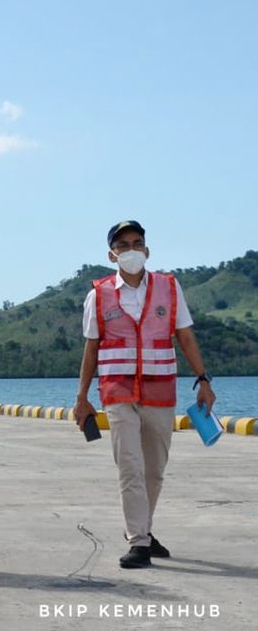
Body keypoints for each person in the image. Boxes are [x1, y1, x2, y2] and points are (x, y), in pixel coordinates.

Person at [73, 220, 215, 569]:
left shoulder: (169, 287)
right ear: (112, 254)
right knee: (130, 467)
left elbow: (185, 336)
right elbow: (91, 348)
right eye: (123, 245)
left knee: (155, 469)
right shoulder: (99, 294)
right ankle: (138, 541)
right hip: (118, 391)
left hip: (159, 389)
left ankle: (144, 530)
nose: (131, 250)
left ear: (147, 250)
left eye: (137, 243)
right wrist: (82, 397)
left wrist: (203, 379)